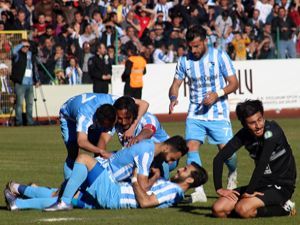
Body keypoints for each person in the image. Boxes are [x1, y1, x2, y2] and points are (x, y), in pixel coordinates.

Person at [168, 25, 239, 203]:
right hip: (195, 113)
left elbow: (233, 83)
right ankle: (199, 190)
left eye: (197, 46)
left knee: (228, 154)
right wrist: (173, 97)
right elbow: (175, 84)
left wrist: (217, 94)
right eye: (190, 46)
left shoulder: (220, 56)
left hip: (218, 112)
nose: (194, 50)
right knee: (191, 147)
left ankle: (233, 172)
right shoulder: (184, 61)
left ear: (205, 41)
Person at [41, 135, 188, 211]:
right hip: (101, 176)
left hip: (100, 172)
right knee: (63, 196)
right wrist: (155, 177)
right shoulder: (147, 153)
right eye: (175, 157)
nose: (172, 162)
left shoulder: (150, 144)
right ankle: (22, 195)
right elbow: (142, 186)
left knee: (59, 194)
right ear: (167, 148)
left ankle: (20, 192)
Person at [212, 99, 296, 218]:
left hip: (281, 185)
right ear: (244, 124)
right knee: (218, 209)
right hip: (261, 184)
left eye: (260, 119)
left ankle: (285, 208)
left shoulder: (272, 131)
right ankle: (250, 205)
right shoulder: (244, 135)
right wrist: (219, 188)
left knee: (243, 209)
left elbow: (262, 163)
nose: (258, 126)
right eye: (252, 123)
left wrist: (249, 191)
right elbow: (219, 159)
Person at [4, 162, 207, 211]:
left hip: (115, 195)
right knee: (69, 194)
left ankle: (20, 192)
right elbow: (150, 194)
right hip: (114, 195)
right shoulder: (175, 191)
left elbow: (146, 202)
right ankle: (18, 195)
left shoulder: (173, 190)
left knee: (84, 160)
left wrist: (135, 178)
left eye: (185, 170)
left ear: (189, 180)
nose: (180, 169)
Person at [59, 93, 149, 179]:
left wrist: (132, 127)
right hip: (68, 117)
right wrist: (102, 151)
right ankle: (69, 187)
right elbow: (81, 142)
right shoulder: (85, 115)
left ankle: (98, 180)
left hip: (97, 112)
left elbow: (144, 104)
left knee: (98, 147)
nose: (123, 123)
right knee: (73, 152)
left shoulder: (116, 102)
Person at [10, 39, 40, 126]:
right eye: (24, 46)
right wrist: (21, 44)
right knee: (19, 103)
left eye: (27, 46)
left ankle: (30, 121)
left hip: (30, 83)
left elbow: (33, 68)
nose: (26, 48)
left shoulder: (30, 55)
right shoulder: (17, 55)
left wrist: (36, 80)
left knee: (30, 104)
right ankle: (19, 122)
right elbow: (13, 51)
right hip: (20, 83)